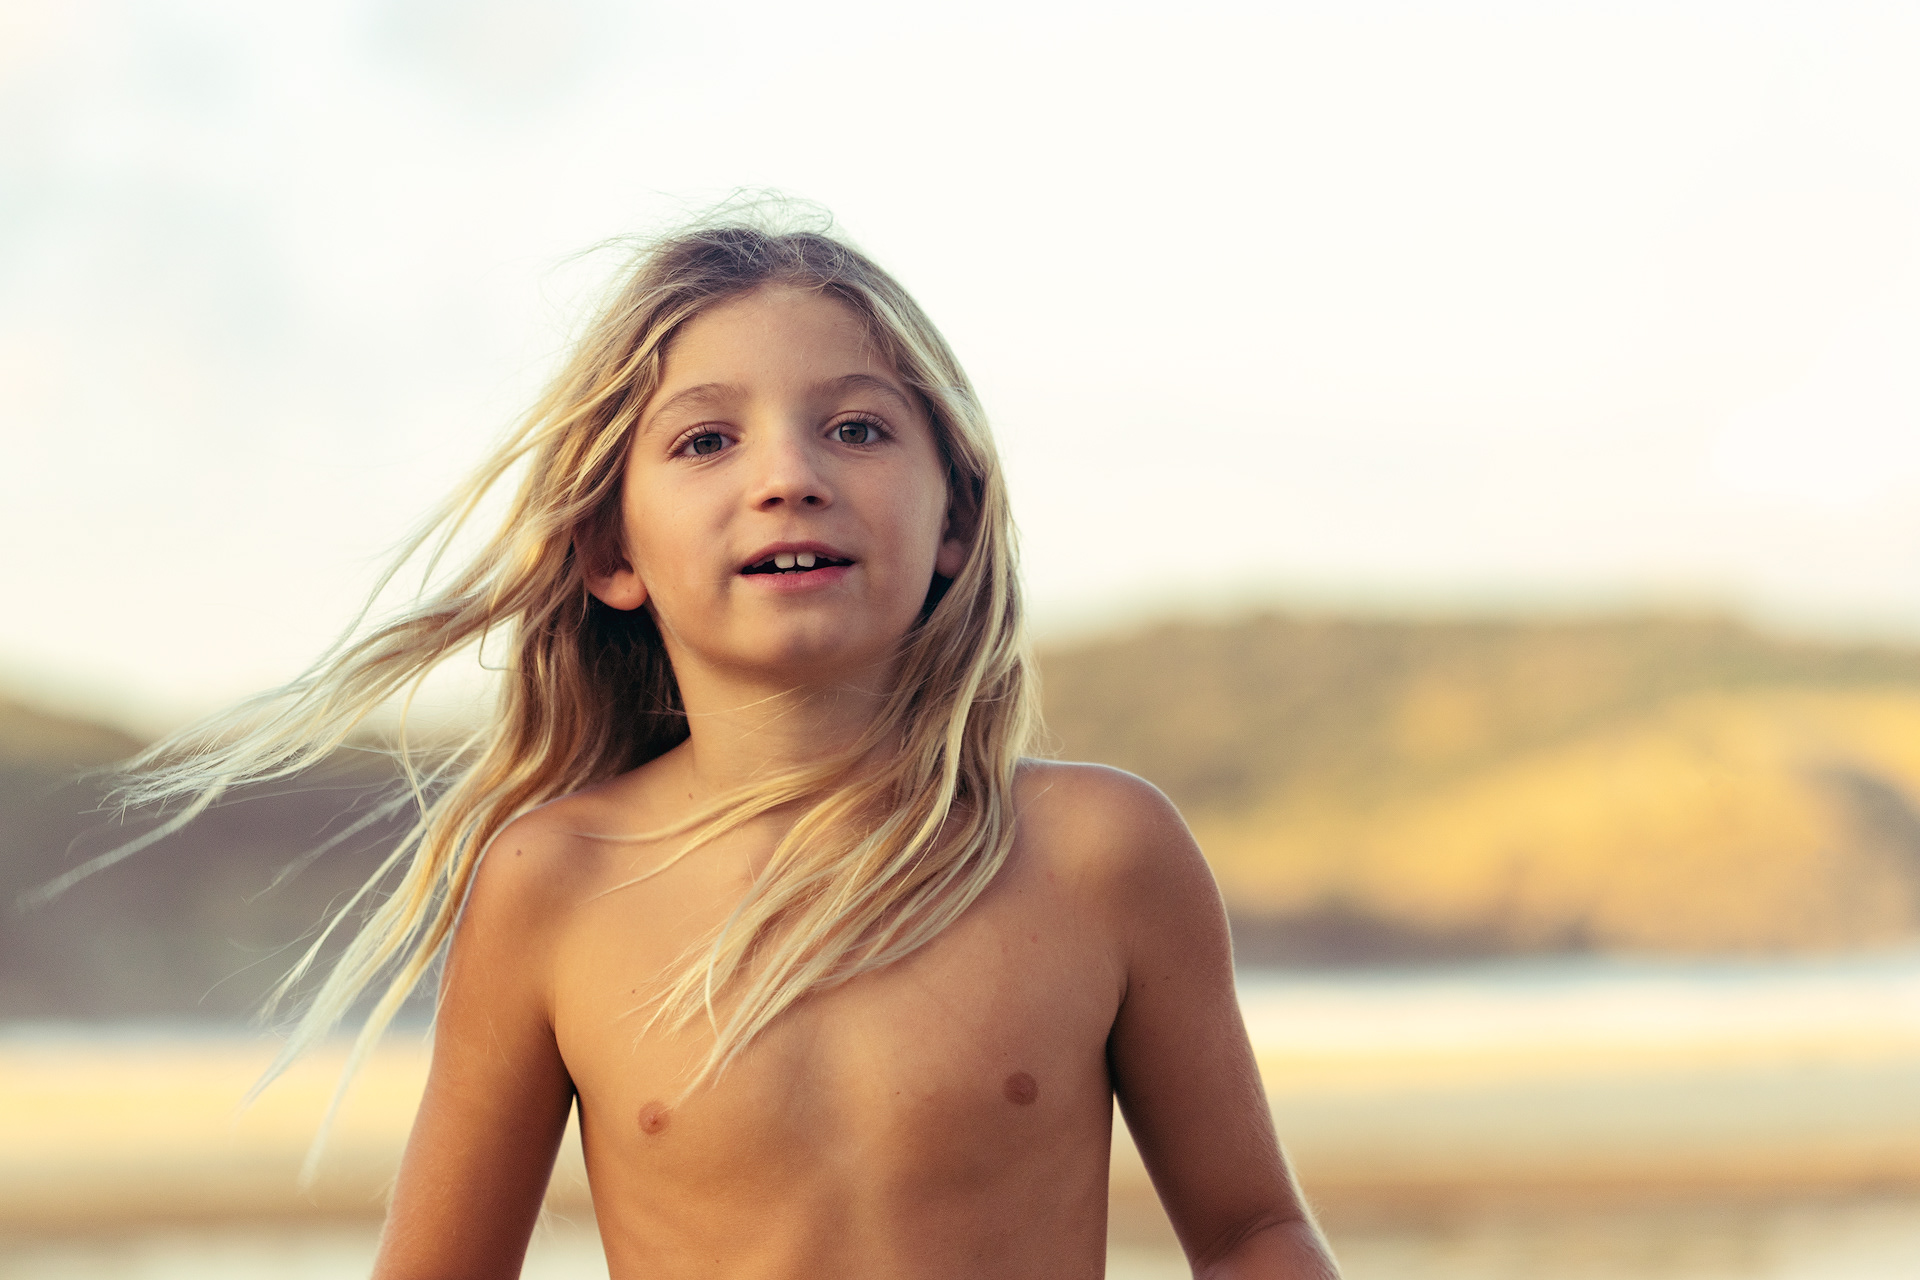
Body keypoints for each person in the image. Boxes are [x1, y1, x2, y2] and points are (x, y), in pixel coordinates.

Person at [122, 214, 1341, 1279]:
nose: (788, 476)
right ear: (611, 552)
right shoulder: (558, 882)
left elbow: (1250, 1234)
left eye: (858, 428)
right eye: (706, 440)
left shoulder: (1095, 853)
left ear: (957, 515)